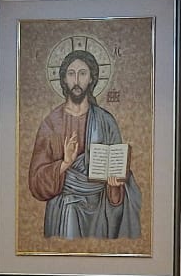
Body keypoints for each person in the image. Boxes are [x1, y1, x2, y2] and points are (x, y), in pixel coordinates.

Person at [27, 48, 142, 238]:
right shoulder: (51, 123)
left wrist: (115, 185)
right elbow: (36, 180)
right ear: (64, 79)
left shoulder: (106, 121)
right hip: (63, 211)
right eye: (71, 74)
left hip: (99, 213)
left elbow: (117, 176)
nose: (76, 80)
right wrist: (65, 164)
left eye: (82, 73)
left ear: (91, 79)